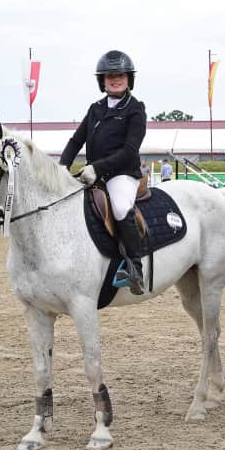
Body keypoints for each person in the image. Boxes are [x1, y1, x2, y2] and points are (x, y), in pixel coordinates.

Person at [60, 50, 148, 294]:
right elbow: (76, 140)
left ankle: (135, 268)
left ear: (129, 78)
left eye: (120, 75)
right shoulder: (95, 108)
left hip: (122, 174)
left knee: (120, 207)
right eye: (109, 76)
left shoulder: (136, 109)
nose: (115, 79)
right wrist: (61, 168)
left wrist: (97, 168)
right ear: (102, 80)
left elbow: (130, 151)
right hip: (94, 174)